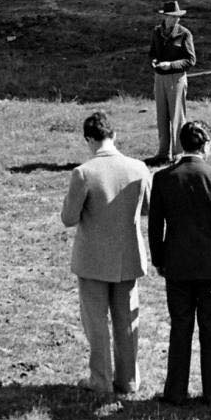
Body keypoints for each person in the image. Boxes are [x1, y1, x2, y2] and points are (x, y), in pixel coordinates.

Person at [60, 111, 152, 397]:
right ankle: (128, 380)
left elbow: (68, 218)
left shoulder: (84, 173)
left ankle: (100, 380)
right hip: (128, 257)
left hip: (93, 260)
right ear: (114, 135)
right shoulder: (138, 168)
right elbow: (148, 208)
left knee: (96, 323)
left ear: (89, 139)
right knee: (127, 321)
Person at [148, 120, 211, 406]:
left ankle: (175, 391)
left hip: (176, 265)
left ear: (181, 144)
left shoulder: (163, 178)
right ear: (206, 146)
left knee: (180, 328)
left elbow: (155, 226)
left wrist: (159, 259)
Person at [149, 0, 196, 164]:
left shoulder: (184, 34)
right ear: (165, 17)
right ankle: (163, 153)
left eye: (177, 17)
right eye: (171, 16)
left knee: (177, 116)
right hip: (159, 78)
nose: (175, 19)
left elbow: (190, 60)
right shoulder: (157, 32)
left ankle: (178, 153)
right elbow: (152, 52)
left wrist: (171, 65)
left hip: (176, 79)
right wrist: (154, 61)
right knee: (161, 116)